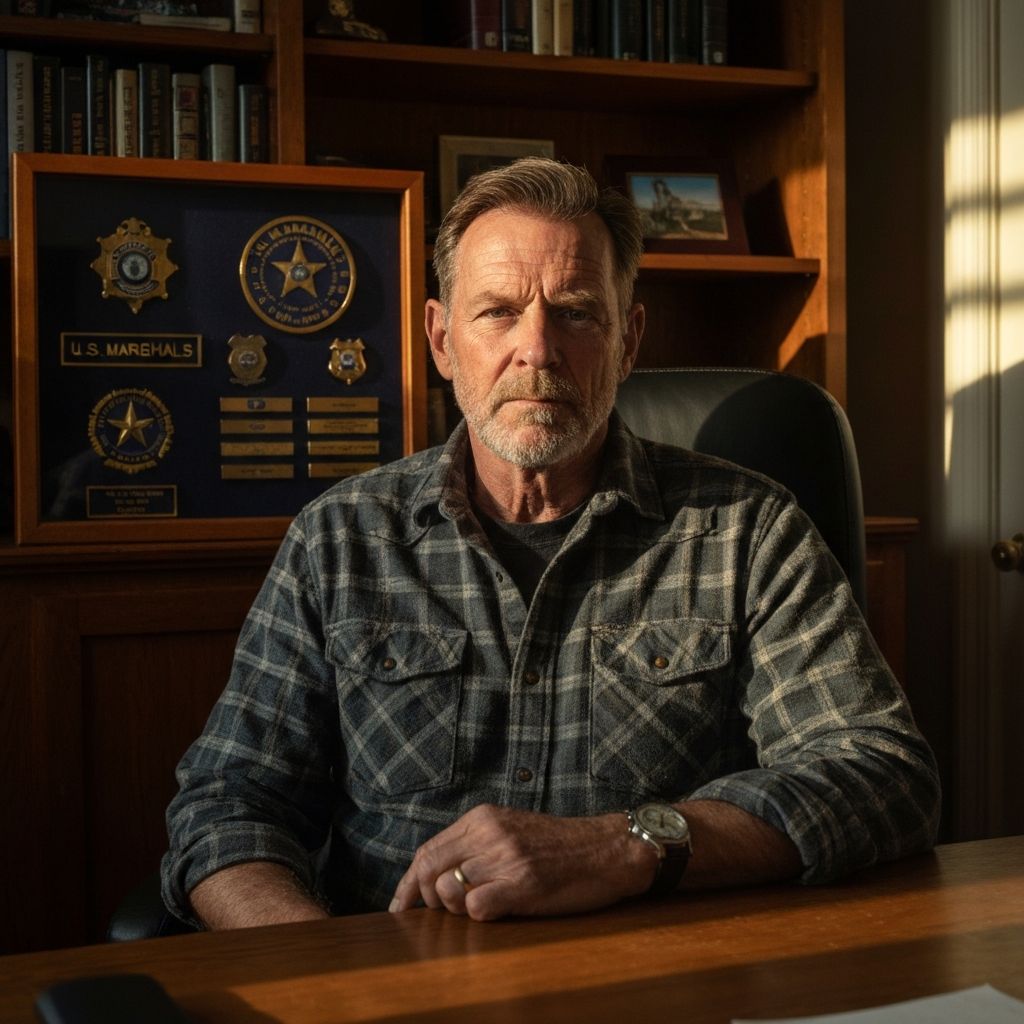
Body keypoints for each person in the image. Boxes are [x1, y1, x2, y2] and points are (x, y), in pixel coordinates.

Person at [162, 157, 940, 929]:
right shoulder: (340, 540)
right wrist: (319, 977)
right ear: (441, 340)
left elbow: (881, 775)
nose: (537, 350)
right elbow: (229, 803)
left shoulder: (748, 531)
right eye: (498, 311)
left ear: (628, 341)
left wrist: (623, 846)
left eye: (574, 312)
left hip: (664, 981)